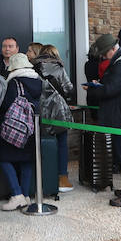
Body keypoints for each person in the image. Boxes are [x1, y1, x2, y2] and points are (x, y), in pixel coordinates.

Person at [88, 34, 121, 207]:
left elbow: (111, 89)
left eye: (104, 53)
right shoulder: (120, 60)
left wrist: (94, 89)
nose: (103, 57)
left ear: (113, 48)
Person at [0, 53, 42, 211]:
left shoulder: (14, 82)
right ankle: (26, 195)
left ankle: (16, 194)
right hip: (32, 127)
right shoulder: (37, 80)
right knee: (27, 160)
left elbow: (6, 105)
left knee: (2, 157)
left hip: (16, 128)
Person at [33, 44, 74, 192]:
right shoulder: (59, 68)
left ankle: (43, 177)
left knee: (41, 144)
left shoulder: (34, 68)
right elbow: (69, 88)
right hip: (58, 112)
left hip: (39, 111)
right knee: (62, 143)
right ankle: (62, 178)